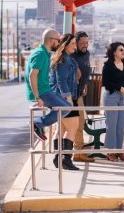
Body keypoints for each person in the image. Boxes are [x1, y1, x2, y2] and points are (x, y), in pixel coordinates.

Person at [26, 29, 70, 143]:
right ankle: (37, 124)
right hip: (43, 92)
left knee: (67, 106)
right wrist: (37, 97)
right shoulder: (40, 54)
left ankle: (39, 125)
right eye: (58, 40)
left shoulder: (44, 53)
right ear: (51, 40)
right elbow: (32, 75)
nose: (59, 43)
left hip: (46, 89)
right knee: (65, 108)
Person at [49, 33, 80, 171]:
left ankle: (57, 157)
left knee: (61, 129)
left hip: (58, 98)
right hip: (64, 99)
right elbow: (61, 81)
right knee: (72, 128)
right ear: (65, 45)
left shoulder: (61, 58)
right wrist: (68, 98)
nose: (75, 46)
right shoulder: (64, 60)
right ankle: (66, 159)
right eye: (72, 43)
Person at [102, 42, 124, 162]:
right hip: (111, 96)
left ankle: (118, 149)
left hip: (123, 98)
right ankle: (110, 151)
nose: (123, 51)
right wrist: (118, 87)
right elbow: (105, 82)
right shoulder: (108, 66)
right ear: (114, 52)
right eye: (121, 50)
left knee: (120, 126)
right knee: (112, 125)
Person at [71, 31, 95, 163]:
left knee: (80, 122)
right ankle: (77, 153)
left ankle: (77, 151)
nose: (85, 45)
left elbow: (86, 70)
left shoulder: (87, 54)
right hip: (71, 95)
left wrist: (84, 83)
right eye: (82, 43)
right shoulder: (71, 56)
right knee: (77, 123)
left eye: (87, 42)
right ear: (76, 43)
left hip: (79, 93)